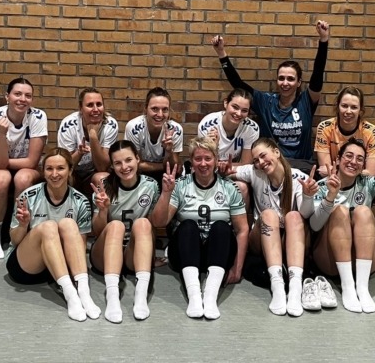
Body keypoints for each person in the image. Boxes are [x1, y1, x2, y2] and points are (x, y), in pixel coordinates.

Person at [221, 138, 331, 317]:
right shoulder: (255, 172)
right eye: (256, 160)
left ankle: (295, 288)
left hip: (292, 239)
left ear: (277, 152)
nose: (260, 163)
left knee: (294, 216)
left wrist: (308, 196)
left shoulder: (298, 178)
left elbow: (306, 214)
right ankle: (277, 285)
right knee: (268, 214)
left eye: (263, 156)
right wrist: (223, 170)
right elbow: (230, 171)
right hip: (262, 237)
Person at [310, 138, 375, 313]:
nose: (353, 162)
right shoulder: (322, 186)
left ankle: (362, 288)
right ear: (338, 160)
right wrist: (330, 197)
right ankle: (348, 287)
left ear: (363, 165)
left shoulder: (368, 182)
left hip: (365, 260)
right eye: (348, 156)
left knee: (363, 211)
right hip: (331, 260)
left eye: (359, 159)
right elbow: (314, 226)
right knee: (340, 211)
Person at [151, 136, 249, 320]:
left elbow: (242, 230)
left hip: (218, 254)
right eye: (198, 159)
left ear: (216, 160)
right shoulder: (180, 185)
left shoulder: (229, 188)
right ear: (192, 162)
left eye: (208, 158)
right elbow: (158, 222)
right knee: (188, 226)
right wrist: (166, 193)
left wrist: (237, 267)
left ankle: (210, 297)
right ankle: (194, 296)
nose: (203, 164)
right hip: (185, 253)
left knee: (221, 227)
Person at [211, 21, 330, 171]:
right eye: (281, 78)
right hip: (270, 166)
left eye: (290, 79)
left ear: (299, 82)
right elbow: (238, 83)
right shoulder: (265, 102)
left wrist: (324, 40)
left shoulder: (306, 101)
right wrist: (221, 54)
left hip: (301, 167)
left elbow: (318, 74)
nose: (285, 83)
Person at [6, 147, 100, 322]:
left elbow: (79, 246)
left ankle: (84, 293)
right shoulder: (28, 196)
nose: (54, 174)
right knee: (49, 227)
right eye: (49, 168)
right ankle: (70, 295)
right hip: (27, 266)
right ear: (43, 171)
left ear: (70, 170)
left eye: (60, 168)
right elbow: (15, 241)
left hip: (60, 267)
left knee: (68, 223)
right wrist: (23, 225)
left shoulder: (80, 201)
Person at [90, 140, 159, 322]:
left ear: (137, 159)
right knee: (116, 225)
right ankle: (112, 297)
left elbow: (154, 225)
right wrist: (103, 210)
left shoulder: (151, 185)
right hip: (105, 253)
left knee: (143, 223)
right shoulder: (104, 186)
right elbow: (97, 232)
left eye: (128, 160)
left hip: (132, 253)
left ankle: (140, 296)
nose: (124, 167)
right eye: (118, 163)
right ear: (112, 166)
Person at [0, 78, 47, 259]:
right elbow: (0, 166)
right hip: (3, 168)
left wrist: (0, 161)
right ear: (7, 96)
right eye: (17, 94)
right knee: (1, 178)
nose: (22, 99)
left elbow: (32, 161)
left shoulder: (38, 116)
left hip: (26, 168)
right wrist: (1, 134)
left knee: (22, 178)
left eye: (28, 95)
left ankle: (18, 232)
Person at [198, 87, 259, 207]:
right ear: (226, 103)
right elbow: (203, 162)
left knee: (242, 187)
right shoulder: (207, 125)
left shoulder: (251, 128)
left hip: (232, 170)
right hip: (209, 169)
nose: (238, 114)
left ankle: (241, 219)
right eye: (235, 107)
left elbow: (246, 163)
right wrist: (213, 146)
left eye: (244, 110)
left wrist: (224, 166)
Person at [57, 87, 119, 197]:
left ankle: (102, 208)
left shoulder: (110, 124)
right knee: (62, 176)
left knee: (103, 178)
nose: (96, 109)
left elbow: (102, 167)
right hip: (73, 172)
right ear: (80, 108)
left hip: (94, 172)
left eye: (99, 104)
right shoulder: (68, 125)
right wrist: (79, 153)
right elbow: (63, 165)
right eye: (90, 105)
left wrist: (93, 136)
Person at [314, 86, 375, 177]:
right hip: (333, 180)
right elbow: (325, 171)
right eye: (344, 106)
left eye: (354, 107)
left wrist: (338, 170)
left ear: (360, 110)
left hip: (360, 182)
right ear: (338, 106)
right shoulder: (324, 128)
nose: (348, 111)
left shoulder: (372, 131)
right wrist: (355, 171)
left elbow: (370, 174)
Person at [124, 87, 183, 183]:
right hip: (140, 174)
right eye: (155, 109)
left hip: (166, 175)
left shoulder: (175, 130)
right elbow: (134, 165)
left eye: (165, 110)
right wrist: (163, 166)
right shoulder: (133, 127)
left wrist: (169, 152)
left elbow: (173, 168)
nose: (160, 114)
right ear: (146, 109)